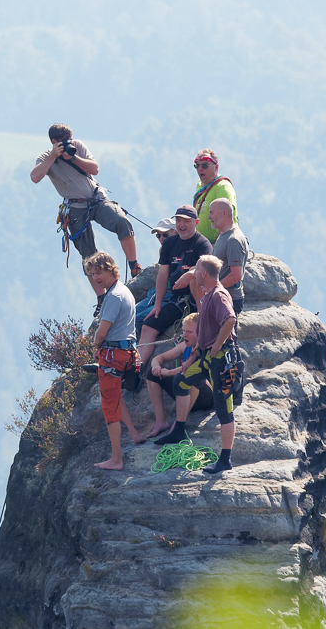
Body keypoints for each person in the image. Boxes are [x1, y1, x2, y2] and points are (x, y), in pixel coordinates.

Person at [31, 125, 142, 301]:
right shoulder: (46, 157)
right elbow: (35, 177)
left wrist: (73, 158)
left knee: (122, 221)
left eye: (70, 139)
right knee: (88, 255)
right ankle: (101, 298)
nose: (69, 143)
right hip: (74, 207)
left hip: (95, 198)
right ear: (54, 142)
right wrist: (53, 156)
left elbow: (95, 169)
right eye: (64, 141)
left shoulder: (78, 147)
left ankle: (134, 265)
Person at [84, 252, 145, 470]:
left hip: (113, 357)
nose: (96, 277)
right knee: (117, 395)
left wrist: (97, 345)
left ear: (110, 269)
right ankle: (134, 433)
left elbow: (102, 332)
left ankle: (116, 459)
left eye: (98, 272)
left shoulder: (112, 297)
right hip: (128, 354)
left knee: (109, 406)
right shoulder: (123, 290)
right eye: (92, 274)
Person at [136, 205, 212, 370]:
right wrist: (157, 306)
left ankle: (202, 318)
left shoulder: (202, 244)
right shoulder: (170, 243)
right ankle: (137, 368)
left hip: (196, 300)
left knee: (195, 276)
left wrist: (190, 273)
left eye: (186, 221)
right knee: (148, 324)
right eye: (178, 220)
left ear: (196, 222)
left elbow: (205, 272)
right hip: (178, 300)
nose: (181, 224)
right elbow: (163, 275)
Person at [190, 255, 239, 474]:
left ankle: (225, 459)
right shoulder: (208, 294)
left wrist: (217, 345)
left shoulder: (218, 295)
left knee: (224, 408)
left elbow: (230, 320)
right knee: (182, 381)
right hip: (209, 357)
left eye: (196, 269)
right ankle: (177, 430)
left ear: (203, 274)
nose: (194, 273)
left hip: (221, 359)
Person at [145, 313, 212, 442]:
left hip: (206, 396)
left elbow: (190, 369)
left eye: (190, 332)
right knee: (151, 374)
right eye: (184, 331)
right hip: (184, 391)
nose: (185, 335)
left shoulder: (205, 347)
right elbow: (159, 358)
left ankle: (179, 423)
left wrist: (168, 372)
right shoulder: (184, 346)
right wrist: (155, 366)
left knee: (193, 377)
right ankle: (161, 422)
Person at [208, 198, 249, 315]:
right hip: (221, 296)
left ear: (224, 213)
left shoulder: (233, 239)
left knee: (226, 333)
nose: (209, 217)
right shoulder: (223, 234)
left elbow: (236, 275)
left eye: (211, 212)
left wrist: (213, 290)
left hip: (229, 299)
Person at [192, 149, 238, 244]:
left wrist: (217, 245)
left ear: (216, 167)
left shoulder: (223, 186)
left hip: (219, 244)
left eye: (205, 165)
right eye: (197, 165)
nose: (200, 169)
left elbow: (227, 217)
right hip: (202, 244)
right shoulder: (200, 185)